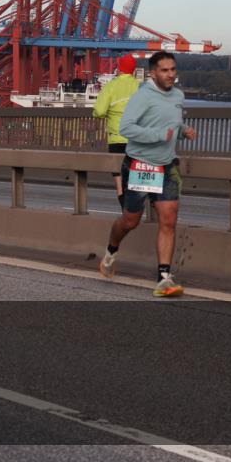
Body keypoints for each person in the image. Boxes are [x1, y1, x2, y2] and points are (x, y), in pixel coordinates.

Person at [98, 51, 197, 297]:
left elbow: (171, 122)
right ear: (153, 73)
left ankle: (164, 277)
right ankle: (111, 252)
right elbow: (126, 127)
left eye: (173, 69)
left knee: (169, 220)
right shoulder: (143, 96)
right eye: (164, 70)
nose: (170, 74)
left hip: (166, 166)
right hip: (140, 165)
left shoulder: (178, 95)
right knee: (130, 220)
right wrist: (158, 136)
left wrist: (183, 130)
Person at [93, 55, 141, 210]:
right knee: (135, 177)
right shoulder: (141, 87)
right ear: (133, 69)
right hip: (137, 140)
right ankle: (136, 209)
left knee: (119, 179)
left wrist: (102, 114)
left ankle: (125, 209)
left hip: (116, 139)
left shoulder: (111, 86)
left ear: (119, 68)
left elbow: (99, 111)